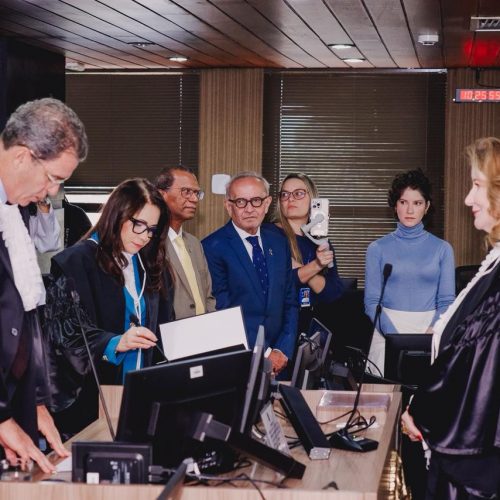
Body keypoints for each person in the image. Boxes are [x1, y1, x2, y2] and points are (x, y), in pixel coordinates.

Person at [401, 137, 500, 499]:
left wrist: (421, 413)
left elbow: (475, 370)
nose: (468, 199)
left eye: (477, 185)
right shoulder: (493, 266)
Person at [45, 178, 174, 435]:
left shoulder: (151, 264)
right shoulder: (75, 263)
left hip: (142, 392)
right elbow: (63, 333)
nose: (144, 237)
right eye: (138, 225)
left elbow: (165, 323)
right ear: (117, 214)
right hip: (94, 399)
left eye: (151, 229)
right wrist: (114, 343)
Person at [0, 97, 88, 473]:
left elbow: (21, 316)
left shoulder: (14, 209)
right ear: (23, 156)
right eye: (53, 178)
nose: (53, 192)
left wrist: (34, 402)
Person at [202, 171, 298, 374]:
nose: (249, 209)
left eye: (256, 201)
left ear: (267, 203)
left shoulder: (279, 241)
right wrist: (265, 353)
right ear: (228, 206)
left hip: (280, 357)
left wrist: (282, 349)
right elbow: (223, 310)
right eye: (240, 202)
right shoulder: (212, 247)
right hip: (238, 358)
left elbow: (290, 300)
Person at [364, 169, 455, 374]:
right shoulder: (377, 249)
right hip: (385, 331)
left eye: (417, 203)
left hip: (429, 331)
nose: (410, 210)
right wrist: (395, 338)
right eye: (403, 202)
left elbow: (447, 302)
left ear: (427, 206)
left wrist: (428, 335)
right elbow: (371, 303)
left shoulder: (443, 249)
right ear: (395, 205)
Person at [273, 173, 344, 335]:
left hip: (311, 328)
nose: (290, 199)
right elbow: (281, 283)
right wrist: (317, 266)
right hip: (279, 328)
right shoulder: (269, 235)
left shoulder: (319, 241)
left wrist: (300, 268)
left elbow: (333, 293)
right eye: (285, 194)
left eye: (298, 193)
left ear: (312, 199)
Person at [155, 166, 215, 319]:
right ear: (162, 195)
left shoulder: (195, 244)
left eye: (196, 193)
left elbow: (208, 296)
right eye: (186, 191)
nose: (194, 199)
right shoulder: (150, 243)